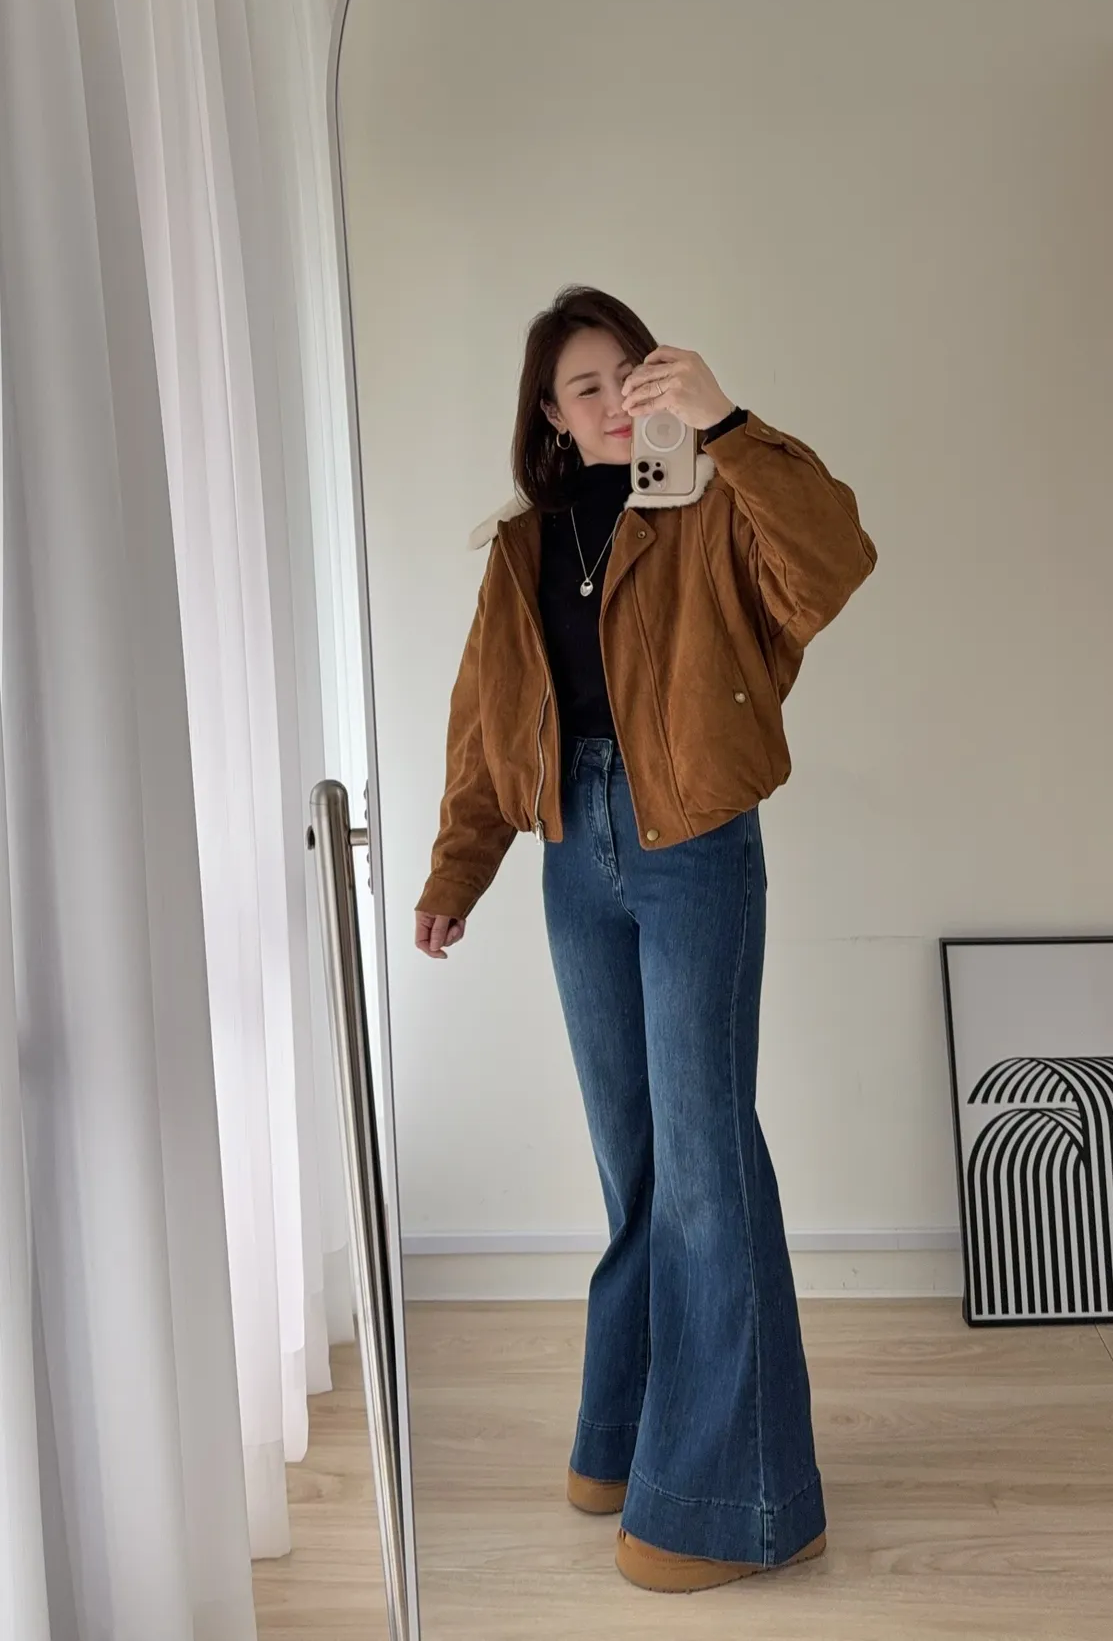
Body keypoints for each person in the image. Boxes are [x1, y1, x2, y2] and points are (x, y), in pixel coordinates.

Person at [413, 285, 877, 1593]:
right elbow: (486, 723)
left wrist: (724, 421)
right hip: (577, 854)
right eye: (587, 386)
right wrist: (458, 871)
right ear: (551, 416)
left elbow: (838, 561)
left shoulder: (718, 506)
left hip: (694, 850)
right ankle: (628, 1440)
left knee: (705, 1165)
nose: (617, 400)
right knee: (638, 1166)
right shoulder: (522, 549)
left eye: (634, 373)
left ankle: (734, 1502)